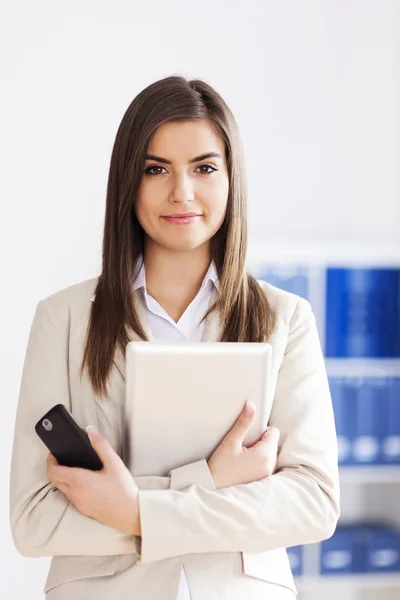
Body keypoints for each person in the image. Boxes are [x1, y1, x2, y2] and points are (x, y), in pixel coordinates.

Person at [9, 75, 340, 600]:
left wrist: (134, 511)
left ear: (232, 178)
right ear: (128, 182)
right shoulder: (64, 319)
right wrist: (210, 481)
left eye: (204, 168)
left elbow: (313, 502)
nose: (181, 192)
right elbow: (33, 519)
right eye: (155, 169)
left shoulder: (285, 318)